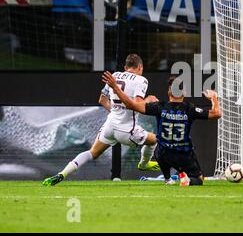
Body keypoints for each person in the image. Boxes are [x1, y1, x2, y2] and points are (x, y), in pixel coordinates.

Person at [43, 54, 160, 186]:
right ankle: (144, 164)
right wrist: (148, 100)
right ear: (140, 67)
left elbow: (102, 100)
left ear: (125, 67)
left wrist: (116, 111)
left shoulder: (114, 76)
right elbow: (137, 105)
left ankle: (62, 174)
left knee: (92, 152)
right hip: (126, 130)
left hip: (109, 126)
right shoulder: (141, 80)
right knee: (155, 140)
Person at [102, 74, 221, 186]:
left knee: (159, 146)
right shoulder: (189, 109)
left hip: (163, 154)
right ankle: (186, 179)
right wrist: (214, 98)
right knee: (199, 180)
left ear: (169, 92)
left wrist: (116, 88)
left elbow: (131, 105)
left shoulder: (159, 107)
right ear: (184, 93)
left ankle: (167, 177)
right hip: (183, 154)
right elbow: (216, 114)